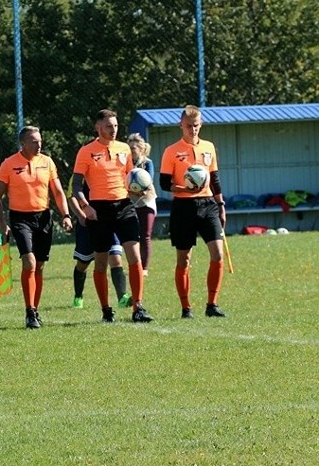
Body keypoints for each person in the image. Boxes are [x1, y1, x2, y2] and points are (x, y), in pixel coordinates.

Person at [71, 109, 153, 323]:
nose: (113, 130)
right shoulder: (86, 151)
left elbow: (130, 178)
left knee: (134, 258)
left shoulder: (124, 148)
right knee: (100, 262)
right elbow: (77, 185)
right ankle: (107, 310)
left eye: (116, 126)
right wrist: (86, 206)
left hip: (124, 207)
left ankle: (138, 308)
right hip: (98, 210)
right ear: (98, 128)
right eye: (109, 126)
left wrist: (137, 190)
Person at [0, 126, 73, 329]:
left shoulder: (47, 162)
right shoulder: (9, 164)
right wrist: (2, 223)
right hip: (20, 219)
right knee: (29, 261)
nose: (39, 145)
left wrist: (66, 215)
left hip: (44, 217)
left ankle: (35, 310)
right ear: (23, 143)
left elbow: (58, 192)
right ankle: (29, 312)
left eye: (40, 141)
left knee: (40, 266)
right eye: (34, 141)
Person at [159, 105, 227, 319]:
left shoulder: (209, 147)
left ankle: (212, 304)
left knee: (217, 254)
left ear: (201, 125)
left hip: (208, 205)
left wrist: (221, 204)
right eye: (189, 126)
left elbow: (214, 178)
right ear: (181, 125)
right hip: (183, 207)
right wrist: (184, 188)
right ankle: (186, 308)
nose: (193, 130)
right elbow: (163, 183)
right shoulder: (171, 151)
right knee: (184, 259)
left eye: (196, 126)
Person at [68, 182, 131, 309]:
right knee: (83, 262)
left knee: (115, 258)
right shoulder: (79, 174)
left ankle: (122, 297)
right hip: (88, 223)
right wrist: (81, 215)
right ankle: (78, 296)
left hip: (109, 219)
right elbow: (71, 196)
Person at [127, 132, 157, 276]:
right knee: (133, 236)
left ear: (140, 148)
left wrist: (139, 188)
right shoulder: (125, 164)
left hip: (147, 201)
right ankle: (135, 264)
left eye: (133, 148)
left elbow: (148, 179)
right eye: (129, 148)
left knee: (145, 235)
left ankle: (144, 268)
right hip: (130, 203)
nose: (131, 151)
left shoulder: (147, 163)